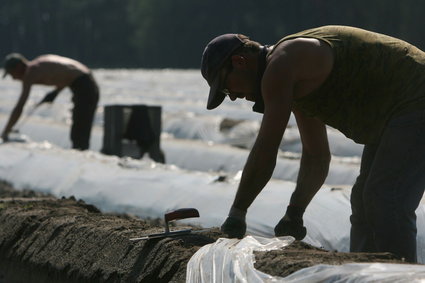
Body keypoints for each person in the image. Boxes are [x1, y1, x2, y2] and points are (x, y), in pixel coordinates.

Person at [200, 25, 425, 263]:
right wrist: (294, 213)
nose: (233, 96)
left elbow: (266, 148)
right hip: (395, 112)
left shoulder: (282, 65)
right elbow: (317, 156)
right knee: (363, 202)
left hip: (416, 97)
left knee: (384, 198)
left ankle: (402, 276)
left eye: (226, 87)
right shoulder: (294, 78)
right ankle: (367, 274)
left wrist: (238, 213)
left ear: (240, 61)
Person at [2, 53, 99, 150]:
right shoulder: (39, 63)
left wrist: (5, 131)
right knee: (80, 127)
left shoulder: (31, 72)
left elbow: (20, 106)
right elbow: (65, 73)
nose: (14, 78)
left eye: (12, 73)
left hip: (84, 85)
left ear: (19, 67)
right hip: (85, 82)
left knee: (79, 130)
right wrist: (55, 92)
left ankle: (81, 157)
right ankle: (81, 152)